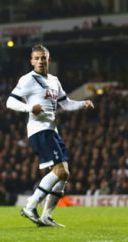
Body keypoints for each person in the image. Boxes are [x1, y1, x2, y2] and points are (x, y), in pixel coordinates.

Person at [6, 44, 94, 227]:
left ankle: (46, 216)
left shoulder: (54, 80)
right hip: (39, 130)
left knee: (64, 174)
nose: (40, 61)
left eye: (43, 57)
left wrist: (82, 104)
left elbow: (66, 104)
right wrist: (29, 107)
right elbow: (10, 102)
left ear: (49, 59)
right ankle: (30, 205)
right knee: (60, 171)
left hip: (52, 130)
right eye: (36, 58)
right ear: (31, 61)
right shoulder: (27, 79)